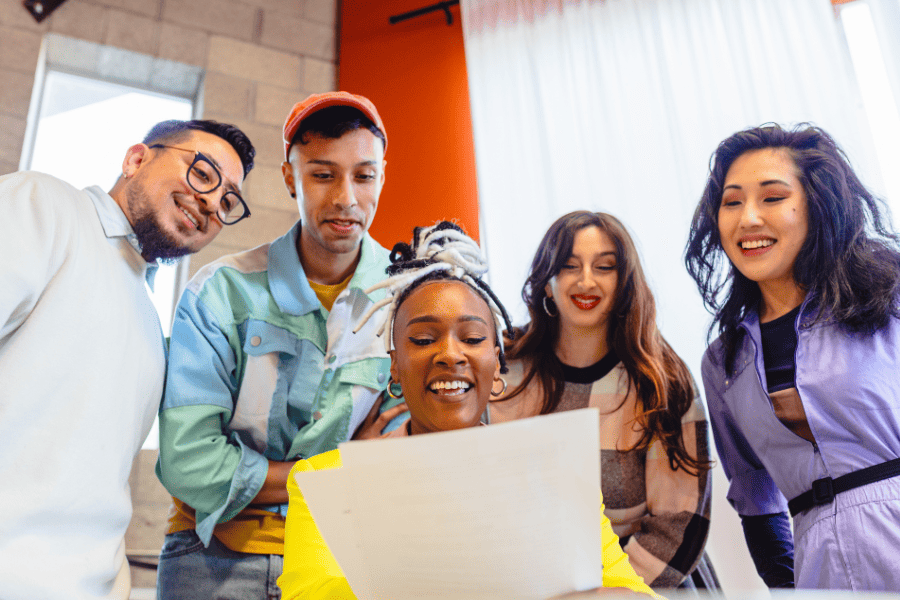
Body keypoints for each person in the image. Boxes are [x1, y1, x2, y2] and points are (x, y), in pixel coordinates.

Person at [277, 222, 660, 599]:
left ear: (496, 367)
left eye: (473, 338)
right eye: (424, 339)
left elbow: (634, 593)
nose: (450, 354)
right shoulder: (325, 482)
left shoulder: (555, 479)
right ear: (394, 367)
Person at [0, 119, 255, 600]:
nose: (209, 202)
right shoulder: (46, 205)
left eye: (227, 200)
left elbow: (102, 482)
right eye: (202, 173)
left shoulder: (147, 318)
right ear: (136, 159)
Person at [155, 92, 392, 599]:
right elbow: (189, 463)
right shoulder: (219, 292)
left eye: (364, 176)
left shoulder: (409, 299)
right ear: (291, 177)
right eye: (323, 175)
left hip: (346, 558)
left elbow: (401, 461)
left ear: (382, 177)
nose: (345, 197)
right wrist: (336, 468)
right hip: (213, 557)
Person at [684, 123, 900, 590]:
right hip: (820, 570)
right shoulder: (724, 362)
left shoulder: (889, 300)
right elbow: (755, 500)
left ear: (816, 204)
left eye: (772, 197)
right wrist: (790, 589)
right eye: (732, 202)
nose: (748, 219)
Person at [489, 211, 713, 590]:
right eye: (569, 265)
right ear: (547, 283)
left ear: (624, 282)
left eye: (604, 267)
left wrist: (606, 595)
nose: (586, 281)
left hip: (640, 589)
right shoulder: (501, 367)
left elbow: (677, 526)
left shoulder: (663, 382)